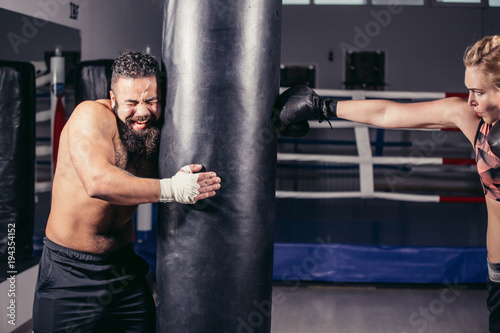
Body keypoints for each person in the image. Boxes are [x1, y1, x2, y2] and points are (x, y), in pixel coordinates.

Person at [275, 35, 500, 332]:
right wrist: (322, 107)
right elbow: (388, 113)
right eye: (469, 90)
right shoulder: (473, 119)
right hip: (496, 270)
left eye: (479, 92)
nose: (471, 99)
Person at [32, 50, 221, 333]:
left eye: (151, 101)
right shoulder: (91, 116)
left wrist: (273, 115)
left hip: (121, 269)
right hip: (69, 273)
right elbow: (98, 182)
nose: (142, 112)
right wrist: (171, 188)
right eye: (131, 102)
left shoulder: (154, 133)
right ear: (113, 98)